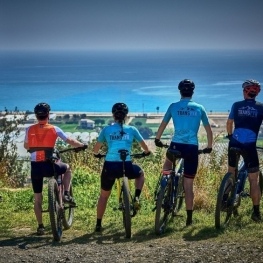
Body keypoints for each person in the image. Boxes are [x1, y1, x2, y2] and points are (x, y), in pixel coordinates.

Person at [154, 79, 213, 226]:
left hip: (176, 145)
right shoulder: (199, 108)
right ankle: (189, 219)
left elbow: (163, 124)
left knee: (167, 165)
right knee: (188, 185)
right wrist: (209, 146)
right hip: (191, 148)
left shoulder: (173, 106)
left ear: (180, 91)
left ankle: (163, 188)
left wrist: (157, 139)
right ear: (192, 92)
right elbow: (208, 130)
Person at [24, 102, 87, 235]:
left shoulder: (29, 130)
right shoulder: (54, 128)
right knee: (67, 168)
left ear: (36, 116)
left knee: (37, 198)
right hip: (50, 166)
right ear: (48, 115)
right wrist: (81, 145)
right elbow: (69, 140)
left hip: (36, 167)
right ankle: (65, 194)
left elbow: (26, 146)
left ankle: (40, 226)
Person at [93, 102, 151, 232]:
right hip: (127, 165)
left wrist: (97, 154)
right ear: (126, 116)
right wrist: (146, 152)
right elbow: (145, 147)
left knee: (103, 196)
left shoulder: (106, 130)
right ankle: (136, 197)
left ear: (113, 115)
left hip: (110, 166)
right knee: (140, 173)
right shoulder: (132, 130)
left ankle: (98, 224)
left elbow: (95, 150)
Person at [226, 79, 263, 222]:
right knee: (254, 179)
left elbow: (229, 123)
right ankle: (256, 213)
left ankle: (224, 199)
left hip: (234, 143)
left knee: (231, 172)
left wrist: (230, 136)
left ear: (245, 92)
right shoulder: (261, 107)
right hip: (250, 145)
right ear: (256, 93)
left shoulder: (236, 105)